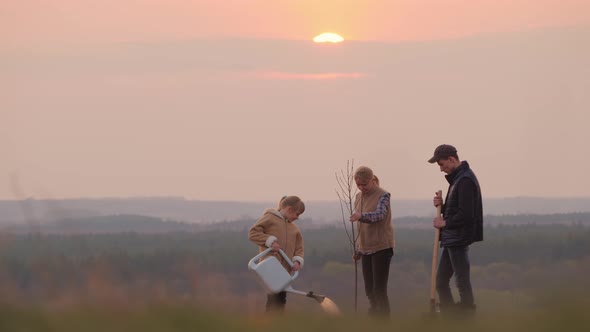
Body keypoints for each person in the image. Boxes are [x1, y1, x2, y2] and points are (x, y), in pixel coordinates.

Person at [428, 144, 483, 316]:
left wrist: (444, 223)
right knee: (441, 282)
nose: (441, 169)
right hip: (452, 238)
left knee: (461, 279)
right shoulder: (457, 179)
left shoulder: (465, 180)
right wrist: (442, 206)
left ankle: (466, 315)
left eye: (442, 164)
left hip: (458, 238)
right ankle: (451, 316)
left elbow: (466, 214)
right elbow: (456, 209)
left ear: (452, 159)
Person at [349, 166, 395, 317]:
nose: (362, 188)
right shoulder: (357, 197)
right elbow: (360, 228)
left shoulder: (383, 195)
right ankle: (374, 316)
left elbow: (379, 215)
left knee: (379, 289)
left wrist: (361, 215)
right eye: (358, 185)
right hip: (365, 248)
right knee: (369, 290)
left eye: (364, 184)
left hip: (381, 247)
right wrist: (358, 249)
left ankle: (383, 320)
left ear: (372, 180)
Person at [248, 195, 305, 312]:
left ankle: (275, 324)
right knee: (274, 299)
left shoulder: (295, 229)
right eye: (297, 214)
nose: (297, 218)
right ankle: (272, 324)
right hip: (270, 268)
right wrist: (269, 241)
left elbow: (299, 248)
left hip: (285, 271)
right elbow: (253, 233)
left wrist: (297, 261)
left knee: (281, 299)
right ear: (289, 209)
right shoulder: (269, 218)